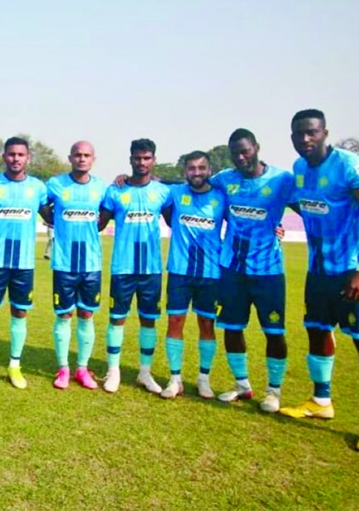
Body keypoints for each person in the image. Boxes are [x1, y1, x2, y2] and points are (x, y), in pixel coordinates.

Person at [279, 109, 359, 453]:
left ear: (325, 132)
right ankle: (320, 401)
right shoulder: (299, 170)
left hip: (352, 269)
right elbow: (309, 205)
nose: (305, 139)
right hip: (319, 270)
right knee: (316, 329)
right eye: (298, 134)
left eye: (311, 132)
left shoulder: (349, 165)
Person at [213, 128, 297, 413]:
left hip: (268, 271)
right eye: (235, 152)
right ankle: (242, 385)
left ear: (257, 148)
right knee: (232, 328)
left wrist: (279, 227)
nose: (240, 157)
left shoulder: (281, 180)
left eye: (245, 150)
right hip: (232, 270)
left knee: (273, 331)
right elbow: (194, 183)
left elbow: (307, 205)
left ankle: (273, 391)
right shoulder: (225, 179)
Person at [0, 137, 48, 389]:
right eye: (11, 154)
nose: (16, 159)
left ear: (28, 158)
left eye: (21, 155)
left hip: (24, 263)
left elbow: (50, 214)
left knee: (20, 311)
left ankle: (15, 366)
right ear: (4, 156)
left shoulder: (38, 188)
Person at [99, 139, 172, 394]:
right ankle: (113, 371)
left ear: (153, 159)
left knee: (148, 321)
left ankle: (145, 372)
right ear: (130, 159)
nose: (142, 162)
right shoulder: (115, 191)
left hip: (151, 269)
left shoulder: (163, 192)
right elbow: (98, 223)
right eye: (137, 158)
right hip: (123, 267)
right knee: (116, 319)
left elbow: (179, 222)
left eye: (147, 158)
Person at [157, 151, 226, 399]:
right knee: (175, 322)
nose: (196, 172)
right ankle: (175, 379)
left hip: (210, 272)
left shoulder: (221, 196)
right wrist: (122, 177)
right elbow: (151, 187)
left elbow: (240, 220)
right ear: (185, 171)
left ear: (209, 169)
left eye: (201, 168)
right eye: (192, 168)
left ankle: (203, 379)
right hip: (179, 271)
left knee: (207, 324)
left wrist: (275, 227)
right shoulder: (175, 193)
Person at [43, 141, 107, 390]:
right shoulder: (56, 184)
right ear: (70, 158)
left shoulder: (102, 187)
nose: (82, 159)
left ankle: (82, 368)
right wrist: (55, 221)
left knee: (87, 314)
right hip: (63, 263)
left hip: (91, 263)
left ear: (93, 158)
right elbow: (43, 208)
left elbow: (105, 217)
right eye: (78, 155)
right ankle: (63, 369)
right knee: (63, 314)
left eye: (86, 155)